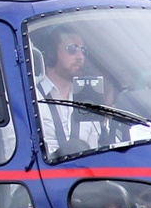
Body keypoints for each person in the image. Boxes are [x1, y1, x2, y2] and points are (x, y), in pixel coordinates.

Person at [35, 25, 107, 158]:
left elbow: (94, 155)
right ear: (51, 53)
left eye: (83, 50)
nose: (81, 57)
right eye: (72, 49)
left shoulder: (87, 101)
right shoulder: (30, 97)